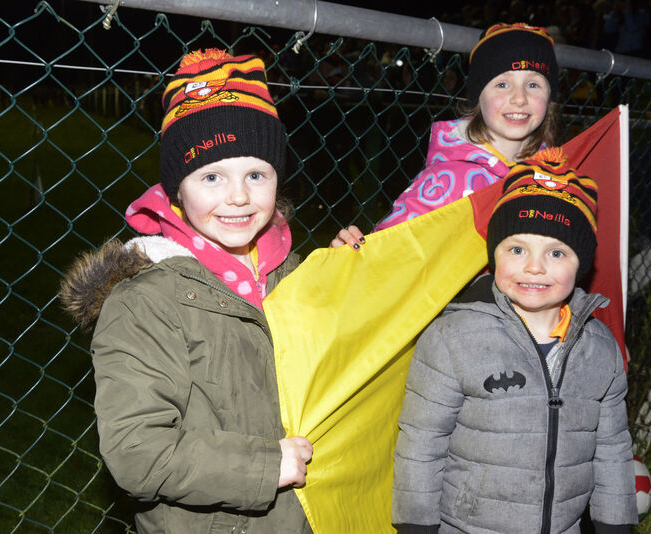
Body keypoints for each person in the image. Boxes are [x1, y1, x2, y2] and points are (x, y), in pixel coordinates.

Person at [59, 49, 313, 534]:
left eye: (255, 174)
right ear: (177, 191)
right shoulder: (144, 304)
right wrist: (262, 467)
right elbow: (138, 454)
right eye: (211, 176)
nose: (238, 196)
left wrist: (350, 266)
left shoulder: (292, 270)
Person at [391, 149, 638, 534]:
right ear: (494, 254)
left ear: (582, 265)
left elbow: (612, 448)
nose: (534, 266)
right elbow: (421, 445)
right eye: (517, 249)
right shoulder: (451, 339)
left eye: (557, 252)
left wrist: (615, 523)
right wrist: (416, 525)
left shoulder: (601, 349)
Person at [331, 22, 561, 249]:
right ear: (478, 98)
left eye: (533, 84)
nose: (519, 98)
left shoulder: (556, 176)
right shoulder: (447, 180)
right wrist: (353, 256)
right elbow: (391, 251)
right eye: (502, 84)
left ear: (550, 98)